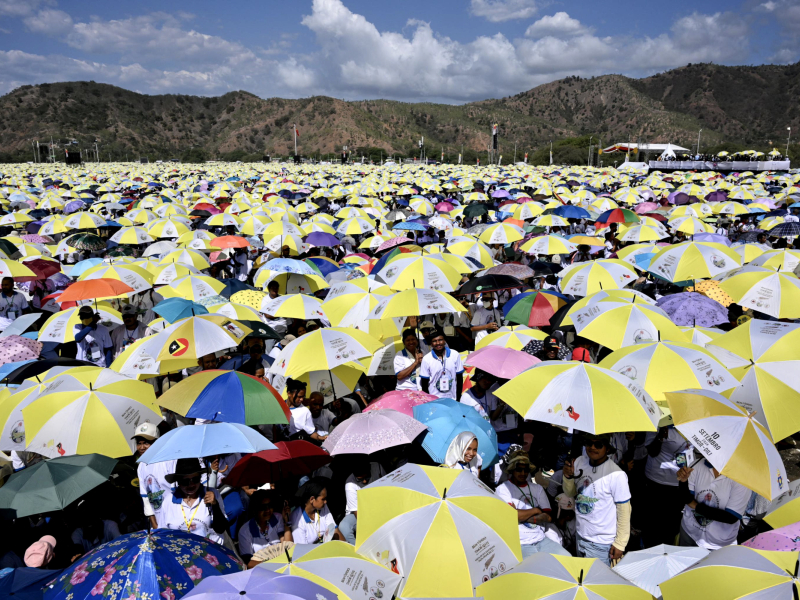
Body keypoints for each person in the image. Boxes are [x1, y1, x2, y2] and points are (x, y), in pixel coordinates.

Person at [562, 433, 631, 565]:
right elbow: (570, 492)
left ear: (608, 449)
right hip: (580, 535)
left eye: (598, 444)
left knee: (596, 583)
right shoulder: (579, 462)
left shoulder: (617, 474)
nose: (593, 447)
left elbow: (624, 511)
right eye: (589, 443)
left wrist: (620, 544)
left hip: (601, 544)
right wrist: (568, 476)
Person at [496, 451, 570, 557]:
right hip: (519, 543)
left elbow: (549, 517)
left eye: (526, 470)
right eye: (519, 469)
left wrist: (520, 515)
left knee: (567, 558)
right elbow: (512, 516)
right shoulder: (503, 489)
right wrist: (536, 510)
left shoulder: (537, 488)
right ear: (512, 470)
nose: (523, 473)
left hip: (540, 539)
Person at [676, 460, 750, 550]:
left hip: (718, 544)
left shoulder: (742, 479)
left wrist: (695, 506)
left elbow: (731, 517)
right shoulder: (697, 465)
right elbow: (686, 498)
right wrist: (683, 481)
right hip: (689, 532)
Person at [642, 425, 693, 547]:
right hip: (656, 482)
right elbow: (652, 451)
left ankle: (666, 553)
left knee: (671, 526)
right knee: (653, 525)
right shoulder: (660, 423)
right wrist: (661, 436)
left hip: (679, 482)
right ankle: (648, 552)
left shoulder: (691, 422)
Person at [160, 458, 227, 544]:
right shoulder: (168, 501)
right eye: (185, 481)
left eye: (195, 480)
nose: (191, 485)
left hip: (210, 551)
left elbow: (221, 529)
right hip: (181, 552)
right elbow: (162, 534)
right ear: (178, 482)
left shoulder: (213, 494)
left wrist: (215, 505)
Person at [133, 422, 175, 529]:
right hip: (159, 524)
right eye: (139, 443)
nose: (142, 447)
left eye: (146, 443)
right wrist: (155, 525)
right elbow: (146, 499)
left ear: (157, 442)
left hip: (176, 518)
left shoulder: (169, 460)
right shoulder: (141, 466)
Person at [238, 489, 292, 567]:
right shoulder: (245, 531)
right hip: (262, 570)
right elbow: (248, 563)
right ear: (254, 510)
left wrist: (286, 522)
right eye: (263, 507)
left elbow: (288, 546)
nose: (268, 510)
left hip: (283, 564)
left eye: (270, 506)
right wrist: (272, 564)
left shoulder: (277, 518)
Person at [338, 459, 385, 545]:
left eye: (366, 477)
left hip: (379, 507)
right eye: (360, 480)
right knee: (344, 527)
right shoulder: (350, 484)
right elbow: (358, 514)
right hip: (359, 513)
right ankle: (357, 551)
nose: (364, 481)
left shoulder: (377, 467)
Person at [289, 478, 343, 544]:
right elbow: (302, 549)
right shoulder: (297, 518)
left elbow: (335, 530)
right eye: (323, 499)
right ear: (312, 499)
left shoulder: (323, 507)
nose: (325, 502)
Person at [420, 329, 464, 400]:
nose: (438, 343)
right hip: (434, 399)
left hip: (452, 398)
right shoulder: (426, 359)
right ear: (431, 343)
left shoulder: (455, 355)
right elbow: (424, 383)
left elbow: (459, 379)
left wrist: (458, 398)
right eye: (434, 341)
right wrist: (428, 401)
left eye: (440, 340)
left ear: (445, 341)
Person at [285, 379, 326, 443]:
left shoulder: (305, 411)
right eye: (299, 397)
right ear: (289, 393)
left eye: (303, 396)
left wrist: (320, 437)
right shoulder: (279, 407)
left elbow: (311, 432)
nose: (301, 399)